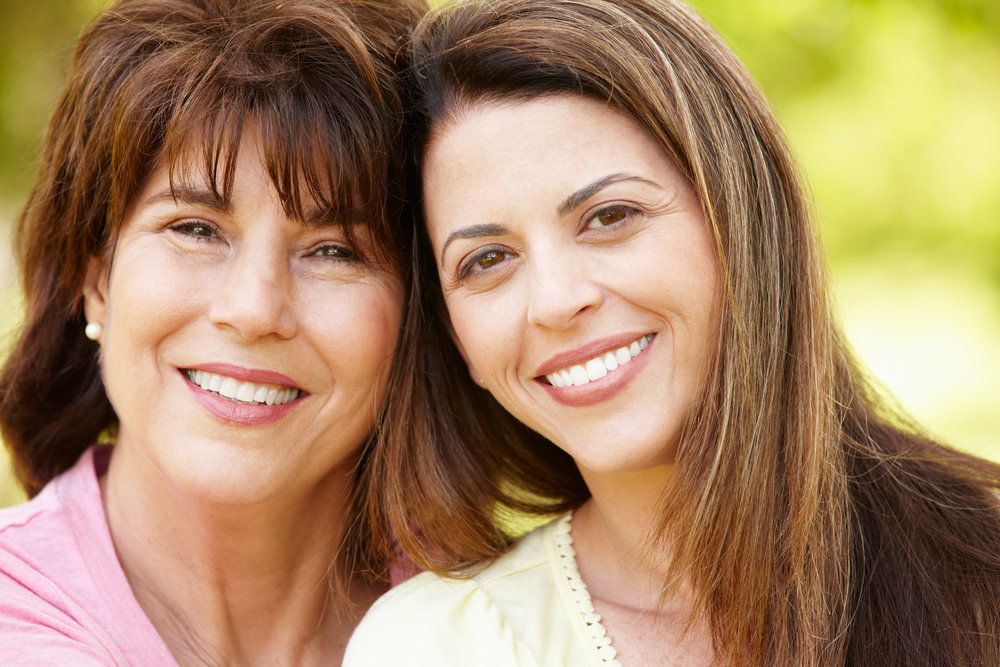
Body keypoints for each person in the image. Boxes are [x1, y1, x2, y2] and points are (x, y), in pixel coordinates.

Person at [345, 0, 1000, 664]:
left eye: (609, 216)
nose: (556, 301)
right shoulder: (437, 644)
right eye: (487, 260)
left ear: (741, 219)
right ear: (456, 340)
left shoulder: (983, 578)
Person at [0, 0, 424, 663]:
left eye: (335, 249)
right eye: (195, 229)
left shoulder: (509, 618)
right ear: (96, 279)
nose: (254, 309)